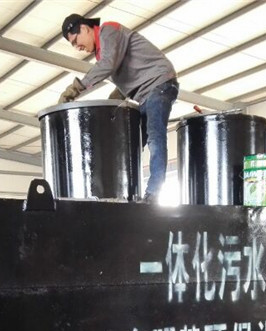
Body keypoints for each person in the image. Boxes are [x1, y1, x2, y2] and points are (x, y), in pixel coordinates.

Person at [59, 14, 179, 204]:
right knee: (132, 144)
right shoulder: (104, 50)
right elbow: (125, 79)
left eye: (75, 41)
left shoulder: (109, 31)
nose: (77, 47)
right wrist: (111, 104)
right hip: (145, 94)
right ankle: (128, 194)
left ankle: (154, 194)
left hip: (159, 84)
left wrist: (76, 88)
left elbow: (108, 65)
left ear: (84, 28)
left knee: (155, 137)